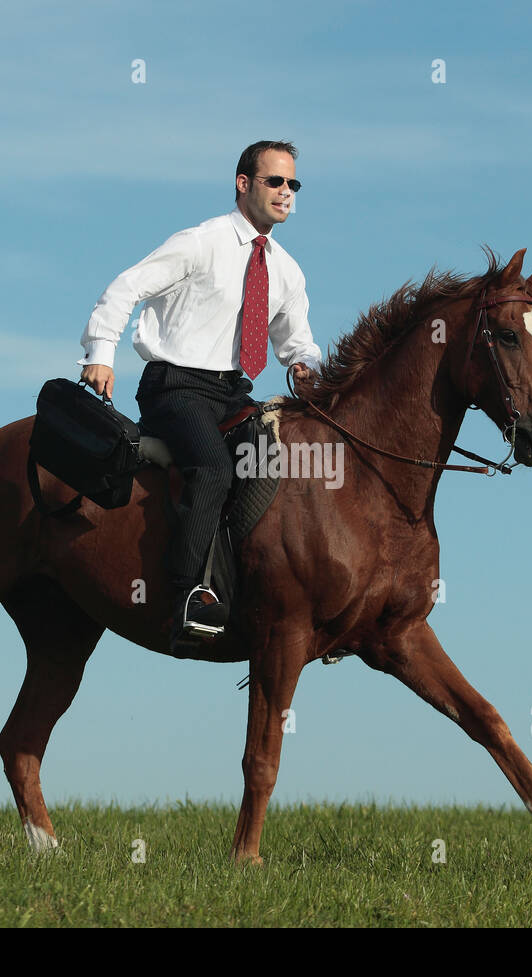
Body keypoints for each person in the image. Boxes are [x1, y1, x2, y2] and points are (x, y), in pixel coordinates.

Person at [77, 140, 322, 655]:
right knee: (211, 467)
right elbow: (126, 286)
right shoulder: (199, 242)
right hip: (176, 386)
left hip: (231, 392)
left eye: (293, 184)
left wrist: (303, 365)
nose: (286, 193)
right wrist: (100, 352)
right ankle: (189, 593)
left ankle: (268, 594)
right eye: (275, 181)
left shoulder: (287, 270)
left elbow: (294, 340)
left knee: (275, 465)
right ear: (244, 184)